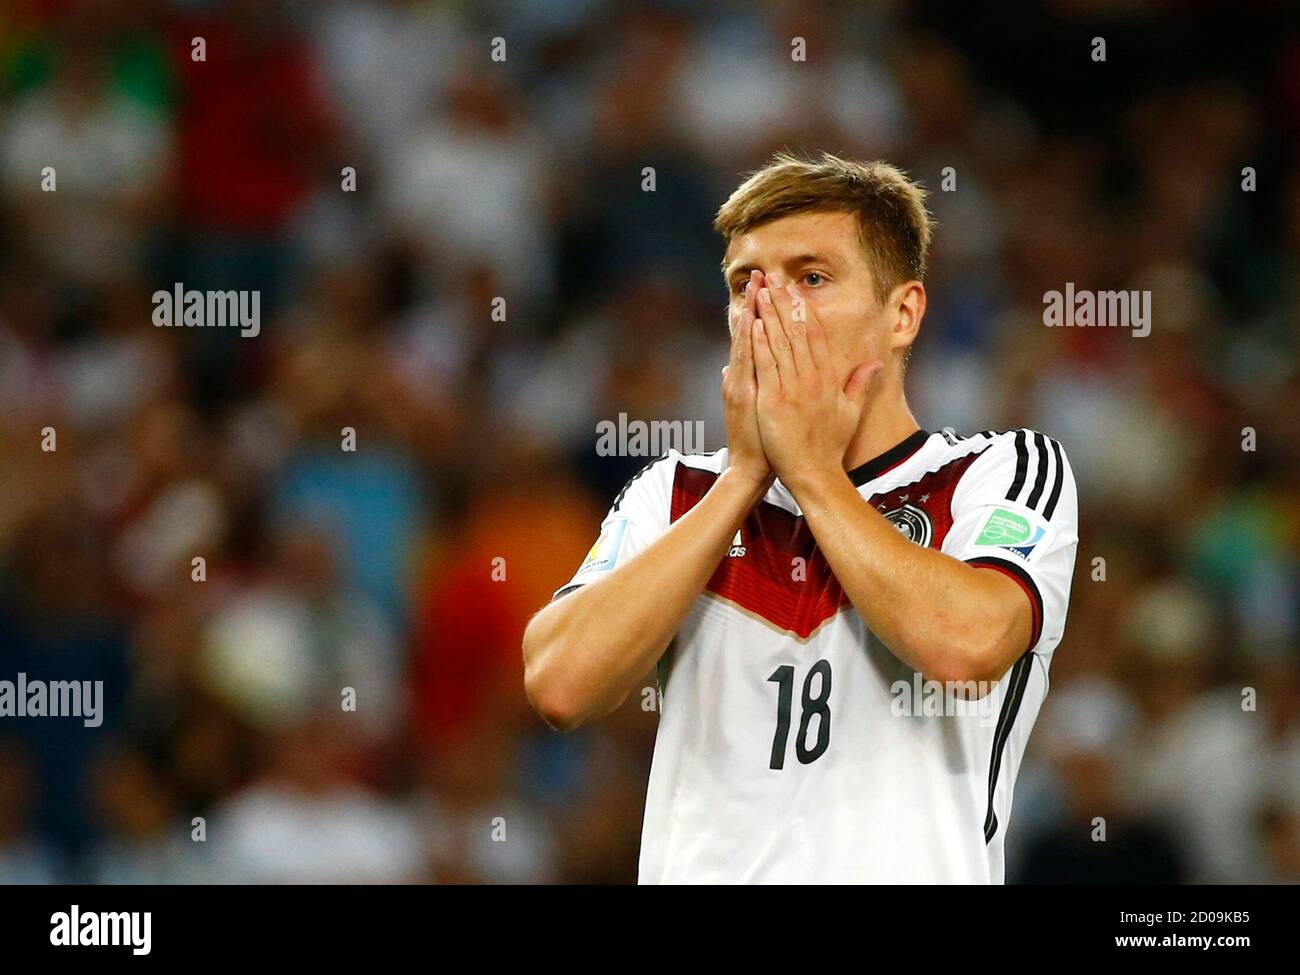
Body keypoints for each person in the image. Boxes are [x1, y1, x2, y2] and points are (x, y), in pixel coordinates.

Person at [523, 152, 1079, 883]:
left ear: (902, 313)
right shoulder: (677, 492)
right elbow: (561, 683)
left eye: (811, 278)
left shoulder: (995, 471)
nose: (769, 306)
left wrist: (811, 470)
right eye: (744, 283)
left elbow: (968, 643)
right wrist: (749, 475)